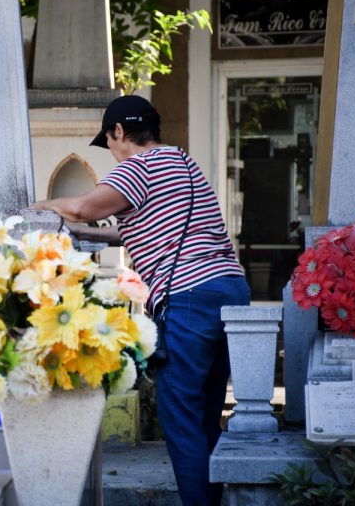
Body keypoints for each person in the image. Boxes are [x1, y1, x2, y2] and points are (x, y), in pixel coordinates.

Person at [30, 95, 250, 506]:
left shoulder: (136, 167)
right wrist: (93, 236)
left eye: (109, 140)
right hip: (230, 288)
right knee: (205, 416)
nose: (111, 150)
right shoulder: (181, 162)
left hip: (188, 296)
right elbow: (137, 227)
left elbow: (80, 207)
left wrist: (36, 208)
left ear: (118, 132)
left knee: (180, 416)